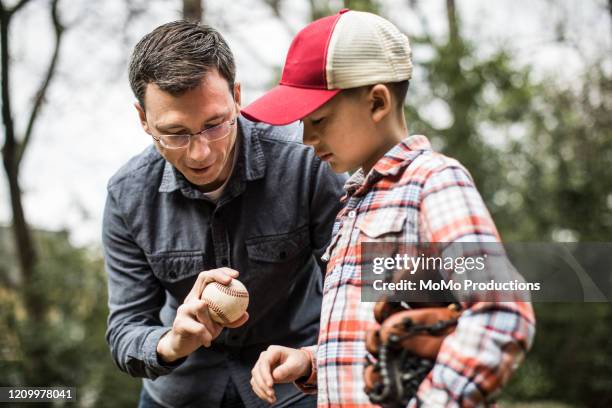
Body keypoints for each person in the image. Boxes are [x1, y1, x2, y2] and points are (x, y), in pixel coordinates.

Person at [243, 9, 536, 407]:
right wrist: (311, 361)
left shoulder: (433, 181)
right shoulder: (355, 202)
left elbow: (502, 314)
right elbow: (377, 334)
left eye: (320, 120)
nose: (306, 138)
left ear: (377, 102)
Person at [102, 21, 346, 408]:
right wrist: (170, 342)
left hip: (293, 385)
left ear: (236, 96)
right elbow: (125, 329)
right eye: (176, 133)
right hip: (179, 393)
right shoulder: (126, 196)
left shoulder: (308, 163)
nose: (200, 153)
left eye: (214, 125)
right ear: (143, 119)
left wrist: (317, 360)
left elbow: (360, 292)